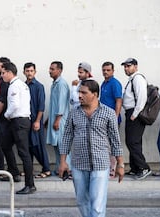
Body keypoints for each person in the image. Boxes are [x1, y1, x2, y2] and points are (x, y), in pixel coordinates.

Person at [59, 79, 124, 217]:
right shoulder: (74, 113)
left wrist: (120, 164)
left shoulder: (108, 113)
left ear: (94, 94)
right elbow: (66, 138)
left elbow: (115, 141)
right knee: (82, 201)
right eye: (79, 92)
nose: (79, 96)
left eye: (83, 92)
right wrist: (63, 162)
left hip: (100, 164)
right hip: (78, 164)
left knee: (97, 205)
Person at [1, 62, 35, 195]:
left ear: (10, 72)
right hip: (20, 120)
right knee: (5, 144)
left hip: (18, 121)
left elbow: (14, 104)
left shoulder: (14, 86)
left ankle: (30, 184)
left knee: (24, 153)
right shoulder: (22, 85)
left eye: (4, 73)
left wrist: (6, 115)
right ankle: (14, 172)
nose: (2, 75)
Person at [121, 58, 152, 180]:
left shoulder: (138, 78)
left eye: (128, 66)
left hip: (135, 113)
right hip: (131, 112)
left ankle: (144, 168)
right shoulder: (132, 79)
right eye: (125, 66)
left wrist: (135, 113)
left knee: (132, 141)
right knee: (133, 141)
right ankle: (135, 168)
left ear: (135, 66)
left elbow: (142, 97)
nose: (126, 68)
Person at [23, 62, 51, 178]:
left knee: (38, 145)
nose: (29, 73)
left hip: (36, 121)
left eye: (31, 71)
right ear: (24, 72)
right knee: (28, 145)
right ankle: (29, 169)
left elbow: (41, 106)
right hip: (26, 120)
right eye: (27, 71)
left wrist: (37, 121)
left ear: (35, 72)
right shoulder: (23, 85)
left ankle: (46, 169)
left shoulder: (39, 86)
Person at [46, 61, 70, 175]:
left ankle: (67, 168)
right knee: (56, 145)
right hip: (55, 119)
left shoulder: (61, 84)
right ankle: (58, 168)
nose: (50, 71)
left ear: (59, 70)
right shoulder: (54, 84)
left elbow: (61, 104)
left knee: (62, 145)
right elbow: (53, 104)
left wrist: (57, 120)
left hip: (60, 120)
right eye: (50, 69)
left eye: (52, 69)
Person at [99, 62, 123, 178]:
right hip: (103, 119)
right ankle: (107, 167)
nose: (105, 72)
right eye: (104, 70)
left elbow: (118, 100)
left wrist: (115, 116)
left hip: (112, 119)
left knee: (113, 144)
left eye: (108, 70)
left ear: (113, 71)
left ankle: (112, 169)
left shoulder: (115, 84)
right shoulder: (103, 83)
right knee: (105, 144)